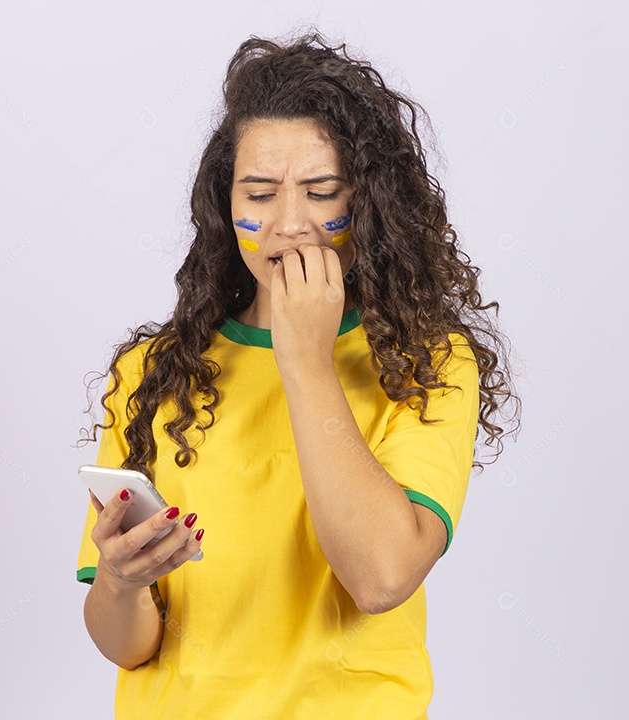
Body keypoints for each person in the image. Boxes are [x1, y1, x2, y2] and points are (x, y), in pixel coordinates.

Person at [74, 29, 519, 720]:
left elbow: (381, 577)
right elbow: (127, 647)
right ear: (227, 205)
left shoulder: (428, 362)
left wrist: (306, 359)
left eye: (320, 192)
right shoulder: (151, 374)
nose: (287, 225)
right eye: (259, 193)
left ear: (368, 204)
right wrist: (121, 581)